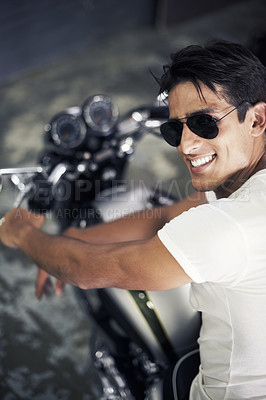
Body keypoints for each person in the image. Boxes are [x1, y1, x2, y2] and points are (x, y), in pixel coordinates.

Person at [0, 39, 266, 399]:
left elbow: (87, 270)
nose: (186, 146)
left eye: (204, 123)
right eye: (175, 130)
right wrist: (77, 238)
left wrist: (26, 237)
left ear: (256, 119)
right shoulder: (242, 184)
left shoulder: (231, 226)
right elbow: (172, 213)